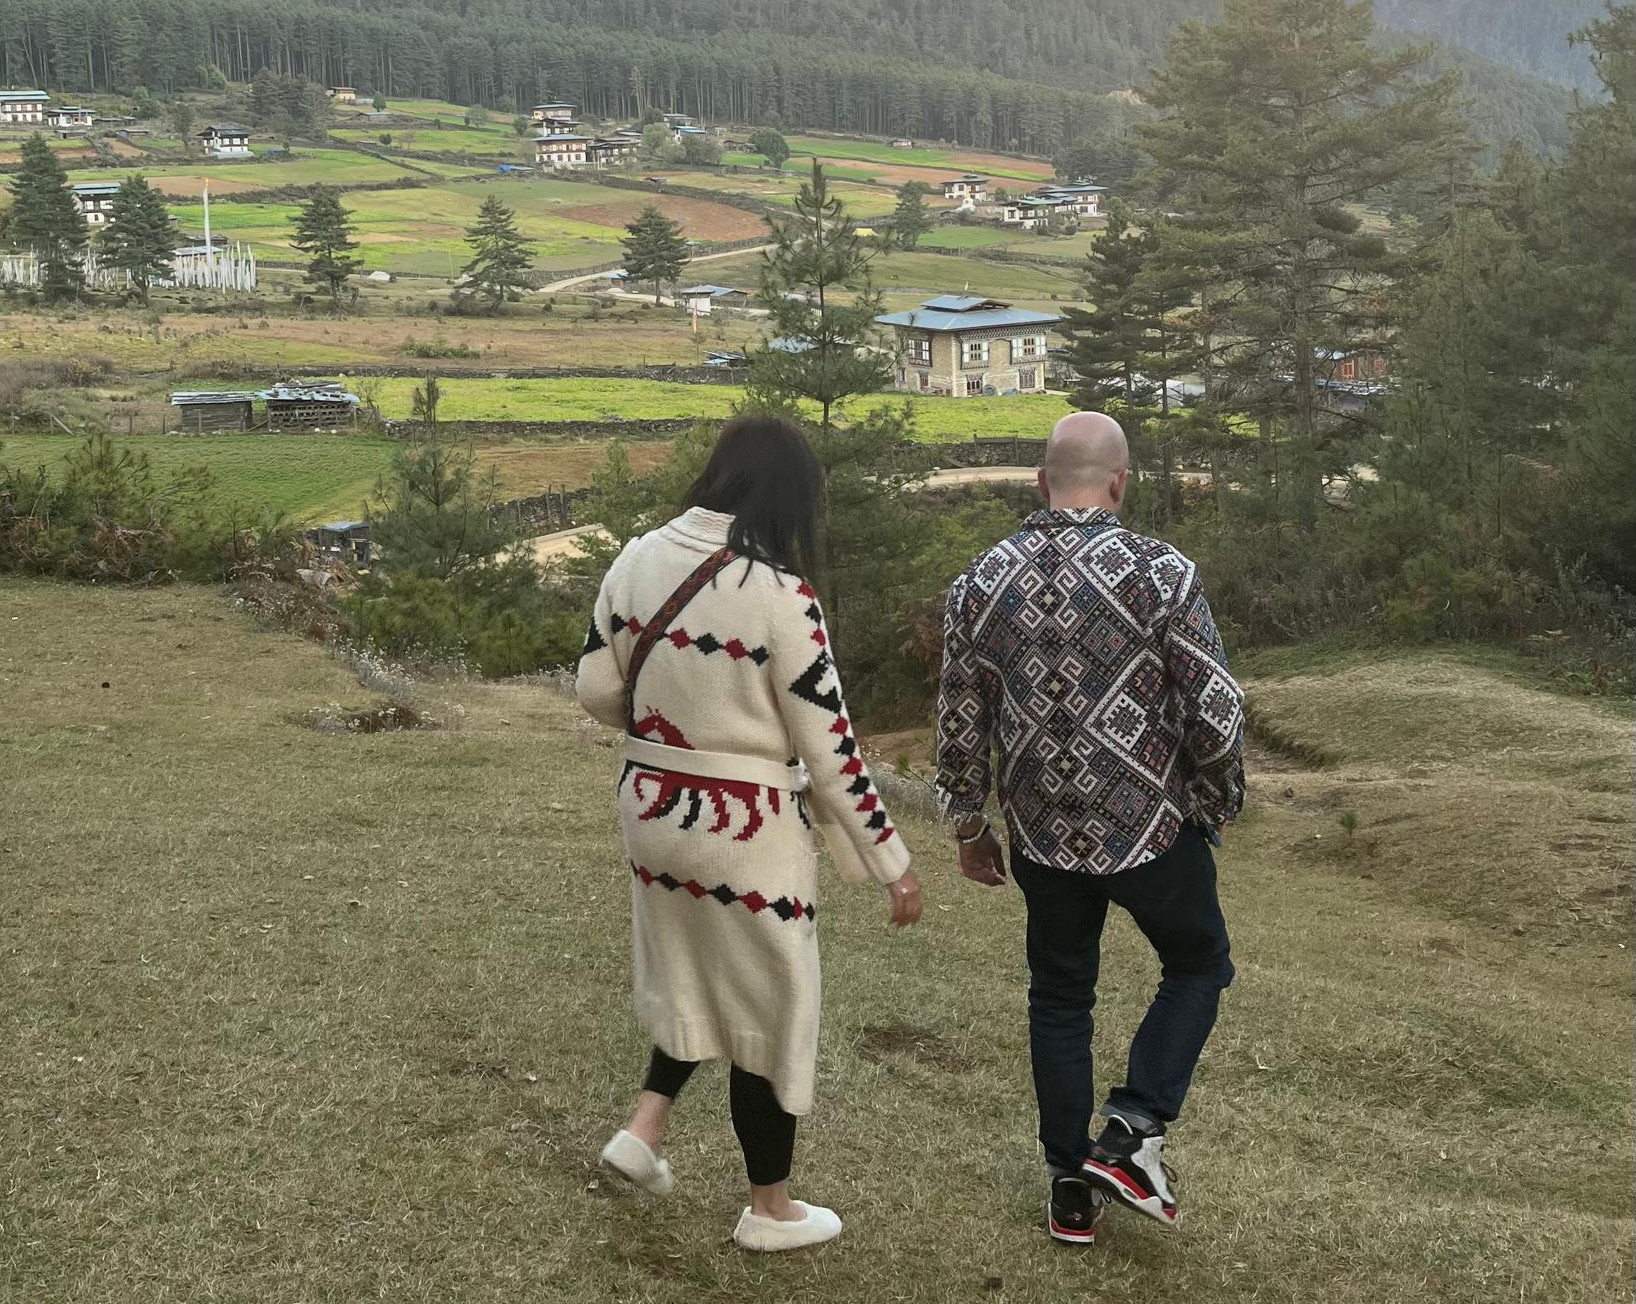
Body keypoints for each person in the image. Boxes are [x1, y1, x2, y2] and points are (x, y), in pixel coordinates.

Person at [576, 414, 922, 1252]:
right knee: (772, 1005)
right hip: (746, 831)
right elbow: (829, 748)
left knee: (694, 972)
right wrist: (892, 864)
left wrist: (672, 734)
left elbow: (593, 687)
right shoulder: (780, 593)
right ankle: (769, 1212)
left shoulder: (636, 557)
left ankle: (645, 1129)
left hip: (651, 808)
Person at [935, 411, 1244, 1245]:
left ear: (1041, 482)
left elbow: (961, 719)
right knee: (1199, 962)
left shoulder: (980, 580)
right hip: (1152, 828)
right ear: (1120, 481)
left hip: (1041, 838)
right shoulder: (1160, 573)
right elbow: (1215, 705)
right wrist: (1217, 797)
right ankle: (1135, 1127)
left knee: (1061, 997)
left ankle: (1072, 1183)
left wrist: (969, 824)